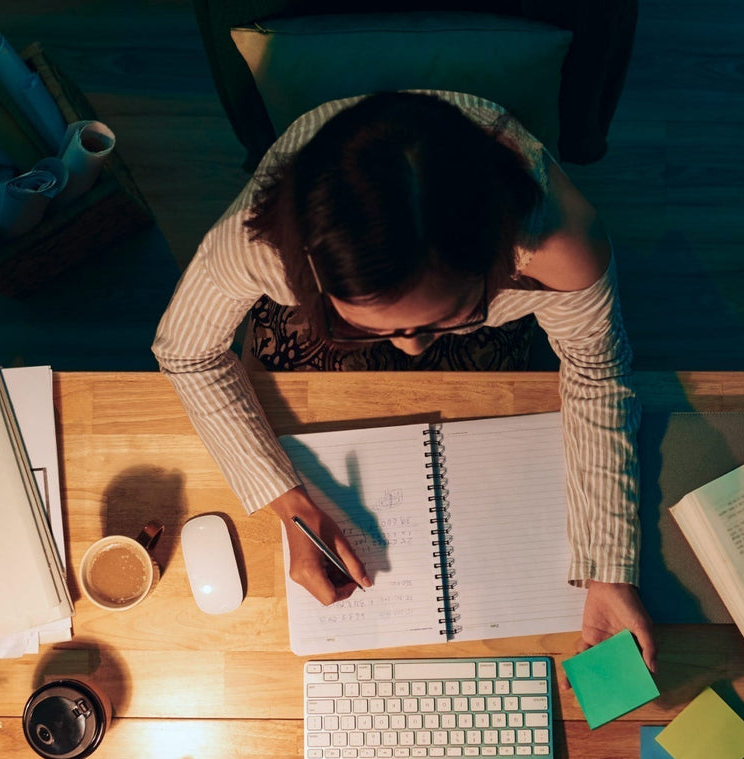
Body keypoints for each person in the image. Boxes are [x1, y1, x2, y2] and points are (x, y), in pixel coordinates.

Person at [152, 91, 655, 667]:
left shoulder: (557, 245)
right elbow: (187, 353)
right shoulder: (256, 245)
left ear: (496, 260)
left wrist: (610, 571)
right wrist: (289, 505)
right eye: (377, 326)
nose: (412, 348)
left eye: (440, 319)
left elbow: (596, 371)